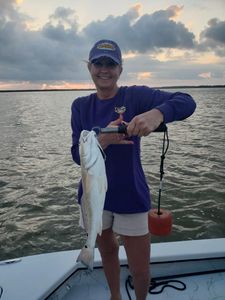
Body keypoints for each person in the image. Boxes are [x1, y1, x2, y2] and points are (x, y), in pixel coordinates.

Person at [71, 39, 196, 300]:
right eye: (98, 63)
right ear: (89, 67)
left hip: (131, 195)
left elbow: (187, 101)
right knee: (106, 252)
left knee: (140, 269)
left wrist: (158, 114)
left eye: (111, 64)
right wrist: (103, 141)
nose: (104, 69)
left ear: (120, 69)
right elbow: (76, 154)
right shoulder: (80, 105)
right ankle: (115, 296)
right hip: (94, 197)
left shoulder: (135, 96)